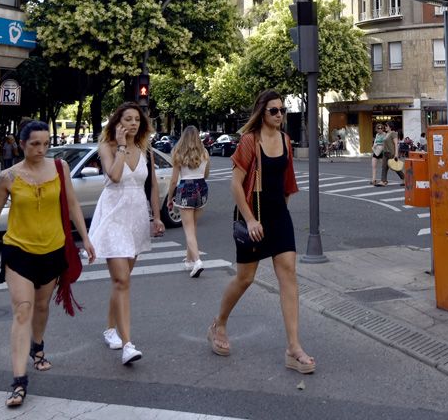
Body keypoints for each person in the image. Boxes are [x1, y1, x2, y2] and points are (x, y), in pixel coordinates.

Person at [0, 121, 95, 408]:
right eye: (34, 144)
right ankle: (18, 381)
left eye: (45, 143)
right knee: (23, 311)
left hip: (52, 249)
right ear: (22, 145)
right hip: (18, 251)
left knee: (41, 306)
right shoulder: (9, 177)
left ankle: (37, 347)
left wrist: (85, 239)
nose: (41, 149)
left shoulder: (60, 169)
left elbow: (73, 204)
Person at [208, 89, 316, 374]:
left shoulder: (285, 140)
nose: (279, 115)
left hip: (278, 215)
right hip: (251, 216)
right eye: (274, 111)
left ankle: (294, 348)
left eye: (282, 110)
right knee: (245, 278)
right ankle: (219, 322)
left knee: (288, 272)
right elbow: (235, 185)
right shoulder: (248, 141)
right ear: (262, 112)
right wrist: (252, 220)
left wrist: (282, 207)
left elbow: (287, 179)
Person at [91, 102, 165, 366]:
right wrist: (121, 146)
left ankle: (110, 328)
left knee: (121, 280)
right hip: (113, 216)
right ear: (118, 123)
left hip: (135, 217)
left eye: (137, 119)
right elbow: (113, 176)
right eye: (128, 119)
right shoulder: (108, 147)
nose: (133, 123)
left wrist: (156, 217)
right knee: (122, 280)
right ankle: (128, 344)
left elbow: (153, 186)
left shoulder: (145, 150)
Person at [166, 125, 211, 278]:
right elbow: (206, 175)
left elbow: (173, 181)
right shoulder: (205, 152)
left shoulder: (178, 153)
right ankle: (189, 259)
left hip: (186, 188)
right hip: (201, 188)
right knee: (192, 226)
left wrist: (170, 198)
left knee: (188, 229)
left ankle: (197, 261)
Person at [379, 122, 404, 187]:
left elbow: (396, 144)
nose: (385, 127)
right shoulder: (386, 134)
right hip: (385, 153)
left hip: (391, 153)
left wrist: (396, 154)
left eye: (386, 126)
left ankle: (404, 178)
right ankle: (383, 181)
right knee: (384, 167)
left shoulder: (393, 133)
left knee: (395, 167)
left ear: (390, 126)